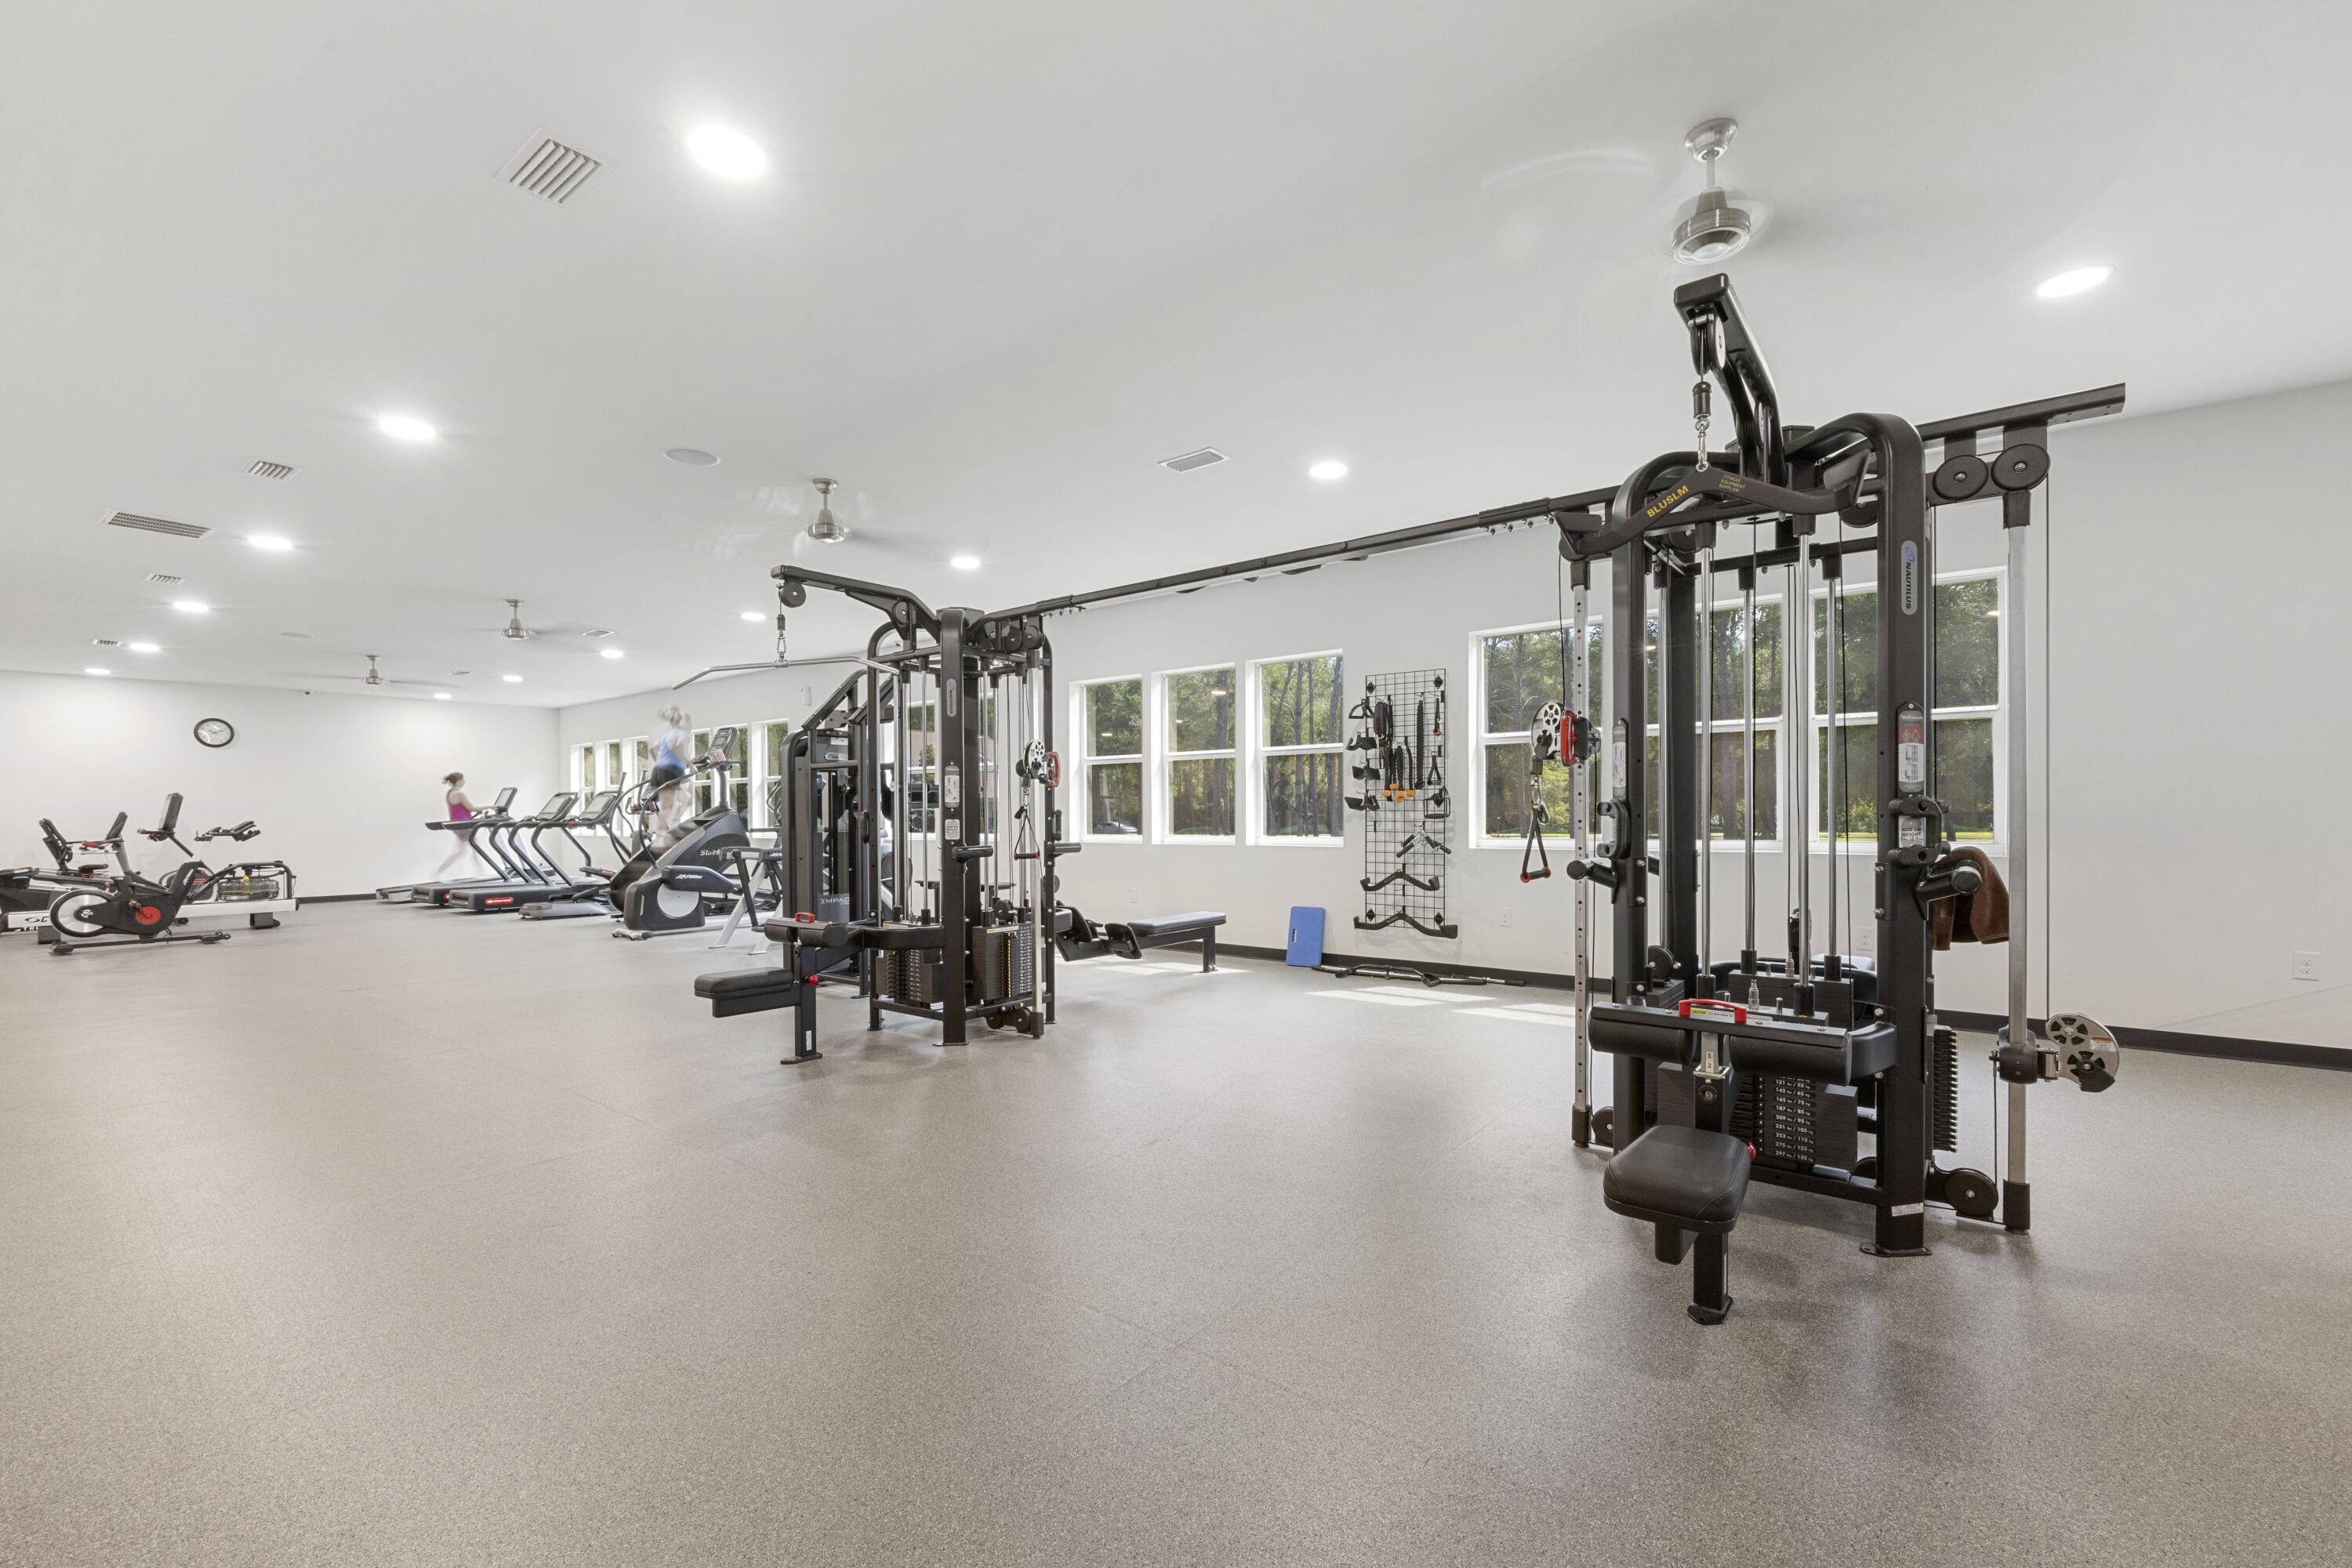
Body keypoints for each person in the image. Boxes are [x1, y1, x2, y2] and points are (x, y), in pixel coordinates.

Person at [648, 708, 692, 847]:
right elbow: (676, 748)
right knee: (686, 797)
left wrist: (660, 761)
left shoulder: (666, 735)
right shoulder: (683, 734)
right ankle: (672, 830)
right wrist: (691, 764)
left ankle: (661, 838)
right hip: (673, 769)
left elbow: (651, 748)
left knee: (668, 805)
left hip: (659, 770)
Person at [431, 771, 479, 876]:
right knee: (475, 849)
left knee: (462, 851)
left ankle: (438, 872)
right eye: (463, 780)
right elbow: (472, 808)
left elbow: (460, 809)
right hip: (464, 826)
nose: (464, 782)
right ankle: (480, 873)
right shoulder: (459, 794)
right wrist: (491, 807)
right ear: (458, 781)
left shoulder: (449, 793)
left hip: (458, 826)